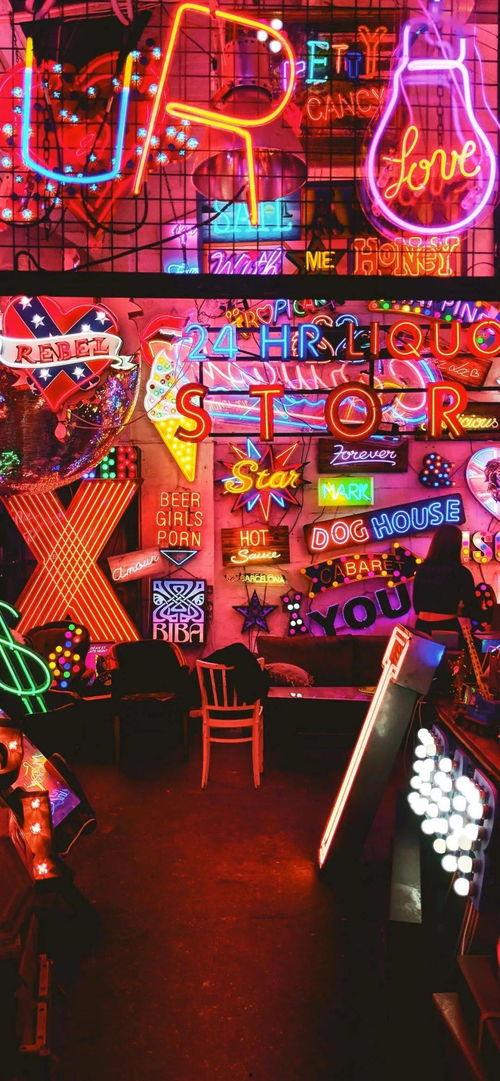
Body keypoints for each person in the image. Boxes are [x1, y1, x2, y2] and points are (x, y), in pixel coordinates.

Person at [413, 524, 479, 637]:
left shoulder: (422, 569)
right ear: (457, 545)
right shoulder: (461, 572)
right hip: (446, 626)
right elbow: (471, 606)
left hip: (421, 625)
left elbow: (417, 604)